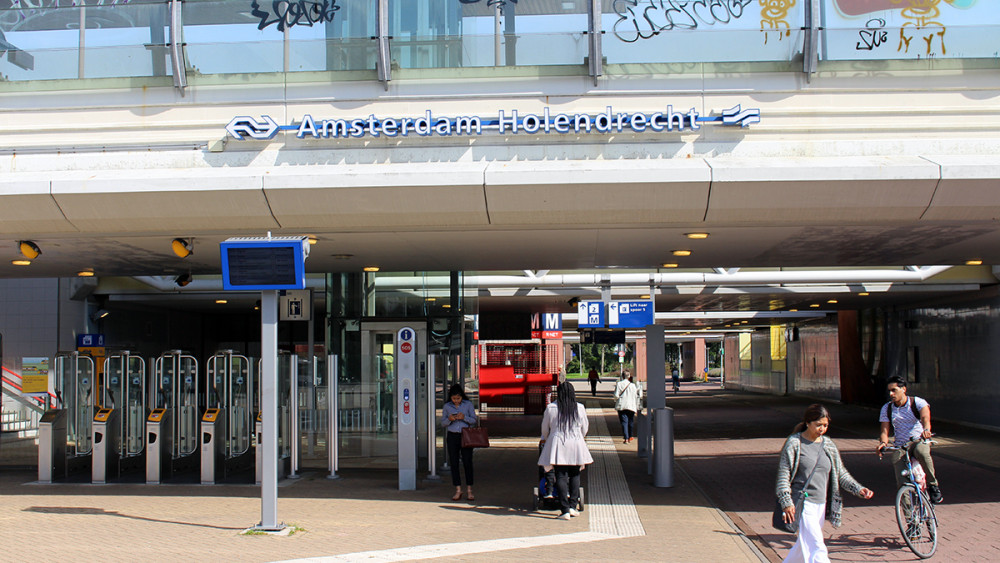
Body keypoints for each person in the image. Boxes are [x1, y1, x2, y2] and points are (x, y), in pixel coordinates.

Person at [776, 404, 874, 563]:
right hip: (802, 503)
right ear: (808, 422)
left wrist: (859, 489)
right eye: (818, 425)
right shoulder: (794, 443)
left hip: (821, 504)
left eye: (826, 425)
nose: (822, 429)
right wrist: (786, 502)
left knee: (802, 548)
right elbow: (783, 475)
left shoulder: (828, 445)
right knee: (817, 547)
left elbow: (840, 472)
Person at [877, 376, 942, 504]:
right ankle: (909, 519)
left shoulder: (917, 402)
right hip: (901, 445)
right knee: (901, 480)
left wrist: (926, 430)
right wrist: (883, 443)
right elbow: (884, 431)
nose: (891, 394)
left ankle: (933, 485)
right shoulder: (887, 408)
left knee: (922, 452)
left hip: (917, 441)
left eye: (894, 390)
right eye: (889, 391)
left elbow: (925, 418)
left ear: (904, 389)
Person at [538, 380, 593, 520]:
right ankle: (573, 506)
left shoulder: (551, 408)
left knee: (560, 475)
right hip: (576, 443)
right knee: (575, 475)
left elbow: (545, 428)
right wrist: (580, 436)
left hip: (558, 445)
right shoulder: (579, 408)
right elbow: (584, 428)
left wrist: (545, 438)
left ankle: (565, 510)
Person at [441, 383, 477, 501]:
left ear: (462, 396)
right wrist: (449, 420)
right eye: (453, 398)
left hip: (465, 436)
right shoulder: (447, 406)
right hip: (452, 436)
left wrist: (464, 418)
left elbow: (474, 420)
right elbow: (442, 423)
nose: (456, 401)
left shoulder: (468, 405)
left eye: (458, 398)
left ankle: (469, 490)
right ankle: (458, 489)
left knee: (467, 462)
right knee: (454, 463)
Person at [613, 372, 641, 444]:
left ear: (622, 376)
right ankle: (630, 436)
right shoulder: (633, 385)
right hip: (631, 406)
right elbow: (635, 396)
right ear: (629, 376)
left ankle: (626, 438)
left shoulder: (619, 384)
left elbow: (616, 395)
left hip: (622, 405)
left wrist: (616, 399)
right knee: (631, 421)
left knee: (624, 422)